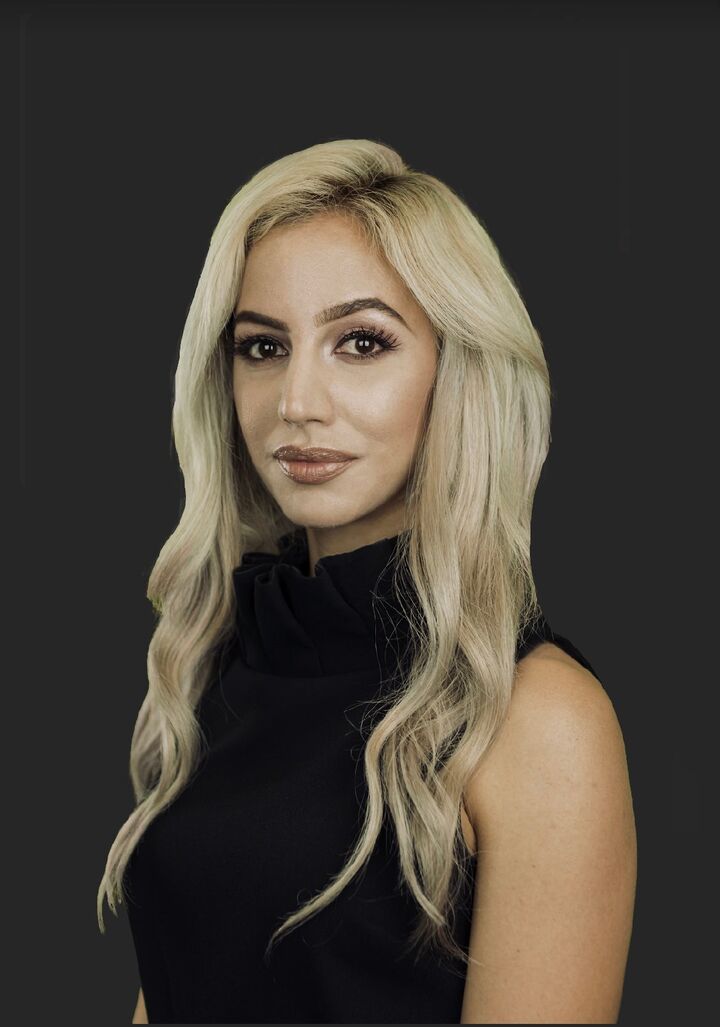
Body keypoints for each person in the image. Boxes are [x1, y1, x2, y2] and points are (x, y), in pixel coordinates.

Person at [97, 138, 637, 1024]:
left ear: (456, 368)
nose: (297, 401)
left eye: (360, 341)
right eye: (263, 346)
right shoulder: (222, 663)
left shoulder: (536, 719)